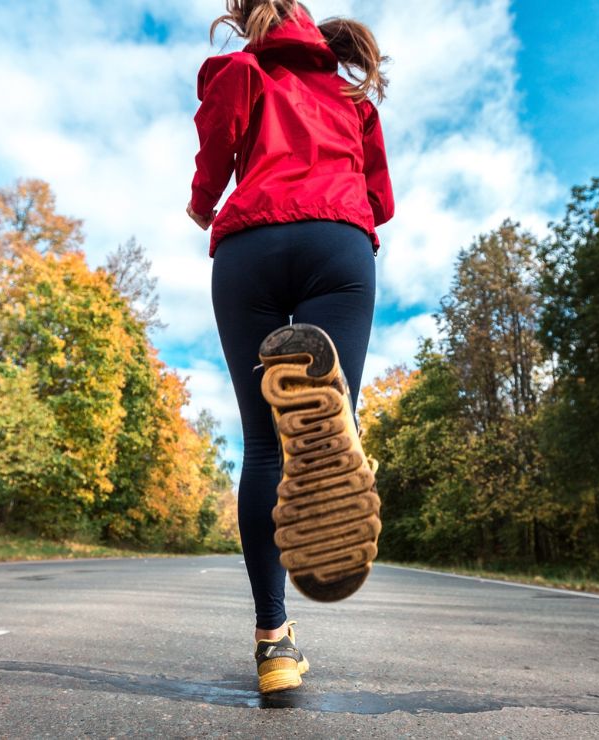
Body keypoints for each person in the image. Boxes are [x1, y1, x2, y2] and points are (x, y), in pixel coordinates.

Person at [186, 0, 394, 694]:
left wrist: (201, 202)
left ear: (248, 22)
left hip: (249, 247)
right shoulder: (347, 90)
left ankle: (273, 643)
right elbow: (382, 200)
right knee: (321, 425)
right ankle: (344, 434)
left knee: (265, 447)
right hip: (337, 239)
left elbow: (215, 158)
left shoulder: (237, 71)